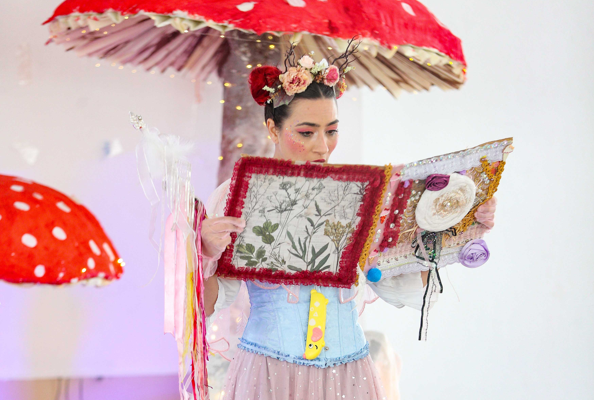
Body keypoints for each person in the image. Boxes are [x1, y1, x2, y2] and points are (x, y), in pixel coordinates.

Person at [200, 49, 497, 400]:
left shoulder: (360, 194)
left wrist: (457, 224)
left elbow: (400, 283)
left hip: (348, 375)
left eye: (332, 131)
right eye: (306, 132)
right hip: (269, 374)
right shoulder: (238, 194)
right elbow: (207, 304)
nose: (322, 146)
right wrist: (205, 252)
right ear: (272, 128)